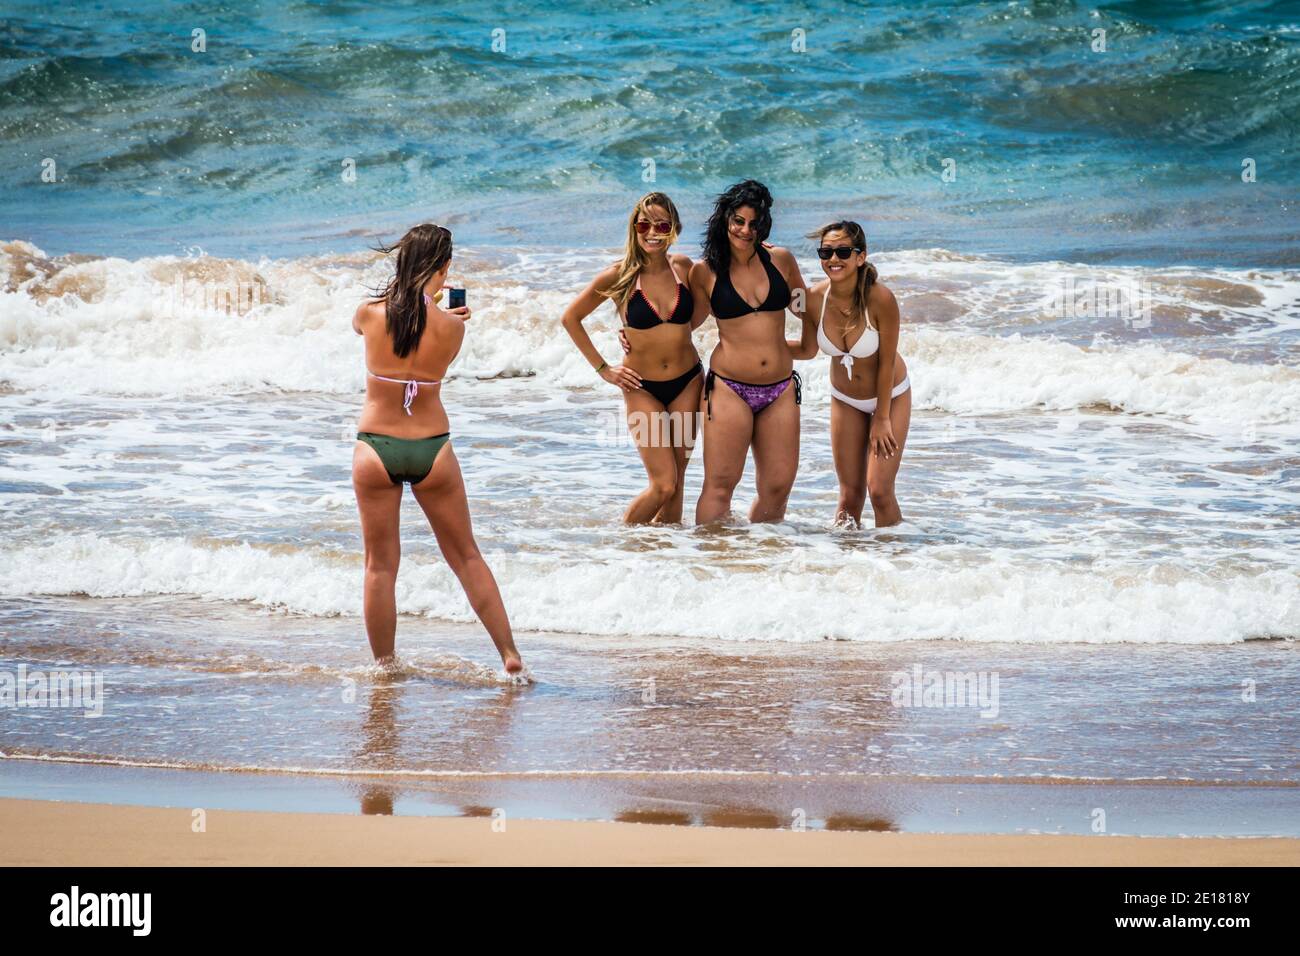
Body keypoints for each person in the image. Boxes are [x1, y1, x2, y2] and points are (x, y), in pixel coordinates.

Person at [351, 223, 523, 673]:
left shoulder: (369, 312)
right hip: (432, 449)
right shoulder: (453, 329)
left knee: (380, 566)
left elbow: (365, 326)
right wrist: (446, 315)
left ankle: (385, 666)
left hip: (375, 448)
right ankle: (509, 654)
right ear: (445, 270)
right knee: (466, 556)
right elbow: (435, 342)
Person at [561, 192, 703, 524]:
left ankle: (665, 559)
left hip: (688, 382)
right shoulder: (619, 275)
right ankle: (622, 548)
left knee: (678, 483)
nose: (652, 233)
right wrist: (604, 369)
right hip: (642, 388)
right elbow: (571, 318)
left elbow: (709, 303)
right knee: (663, 484)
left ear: (674, 229)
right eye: (644, 225)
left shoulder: (683, 267)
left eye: (662, 225)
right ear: (634, 228)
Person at [688, 180, 812, 524]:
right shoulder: (705, 272)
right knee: (720, 485)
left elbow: (805, 306)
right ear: (725, 219)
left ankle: (759, 562)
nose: (745, 230)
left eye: (753, 223)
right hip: (730, 388)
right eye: (738, 221)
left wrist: (811, 343)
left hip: (781, 389)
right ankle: (710, 564)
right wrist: (635, 336)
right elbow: (688, 324)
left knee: (777, 486)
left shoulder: (782, 261)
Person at [796, 220, 911, 527]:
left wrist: (882, 418)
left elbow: (886, 363)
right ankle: (844, 564)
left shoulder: (880, 299)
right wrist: (758, 350)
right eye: (826, 252)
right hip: (845, 398)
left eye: (843, 252)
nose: (834, 259)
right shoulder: (812, 299)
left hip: (890, 397)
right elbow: (807, 349)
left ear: (861, 257)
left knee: (880, 491)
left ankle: (896, 560)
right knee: (849, 496)